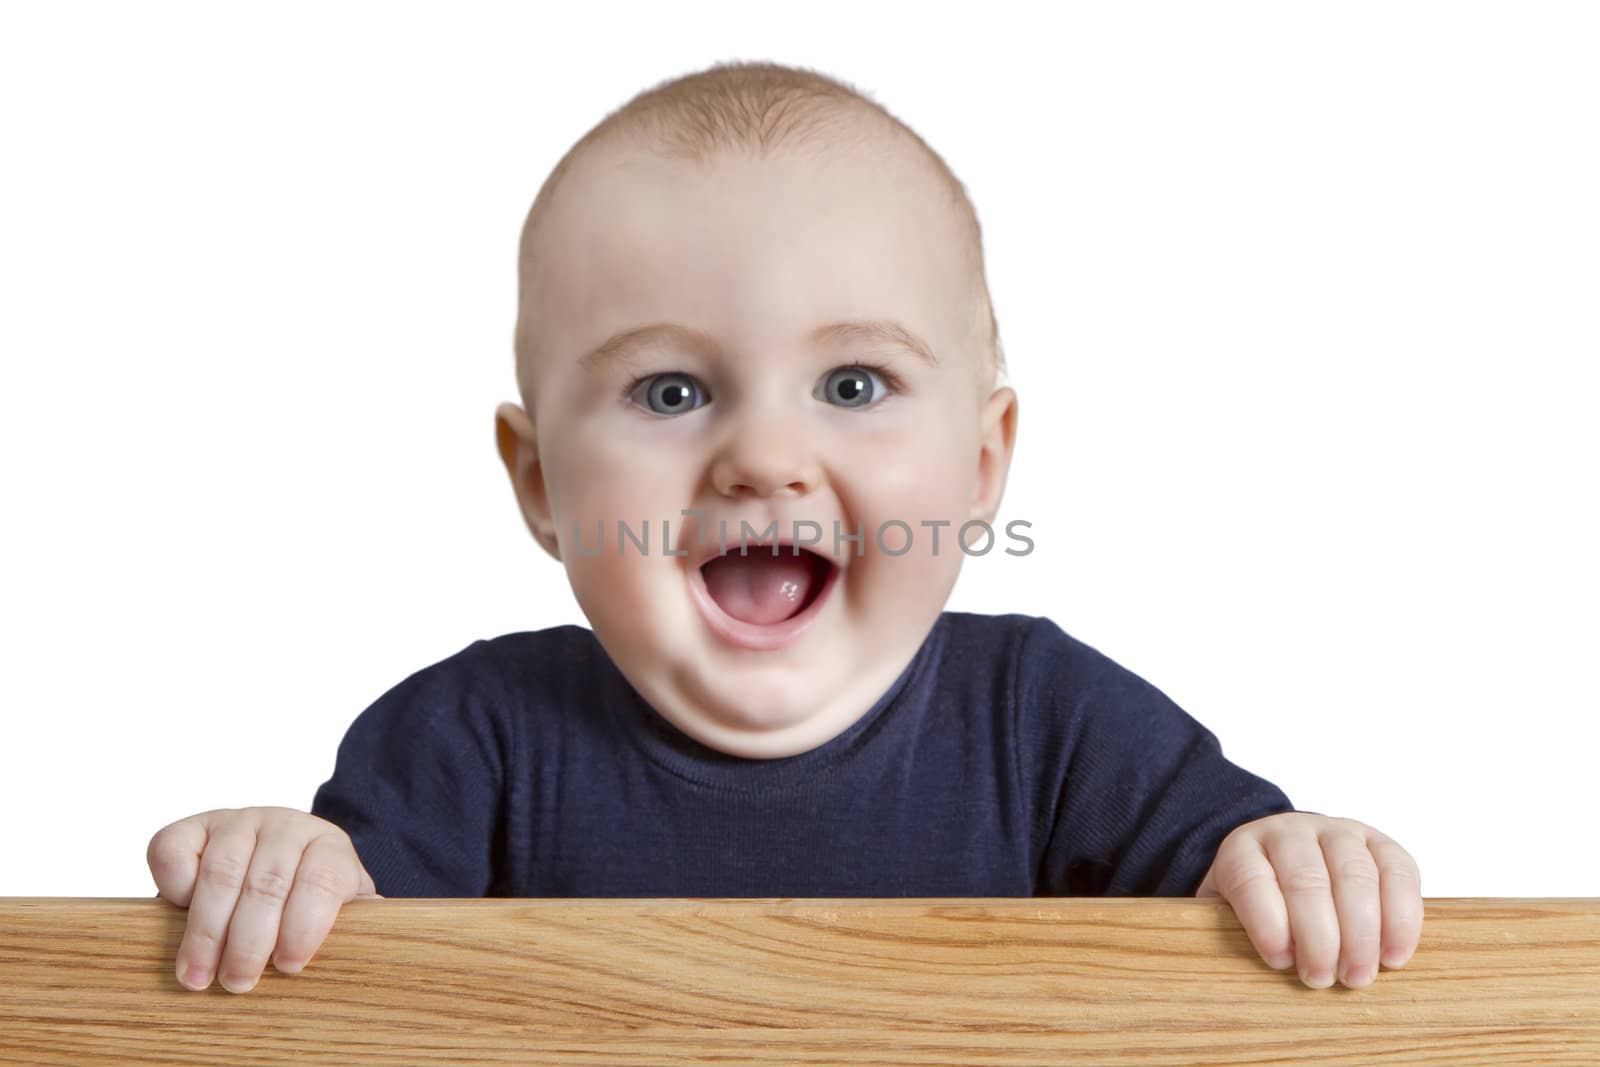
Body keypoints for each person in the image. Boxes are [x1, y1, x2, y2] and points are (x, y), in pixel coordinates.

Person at [146, 59, 1422, 998]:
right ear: (540, 483)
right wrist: (285, 868)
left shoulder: (1050, 724)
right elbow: (330, 978)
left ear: (979, 465)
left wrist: (1298, 859)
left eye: (853, 385)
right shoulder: (468, 742)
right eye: (670, 391)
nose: (760, 455)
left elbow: (1249, 912)